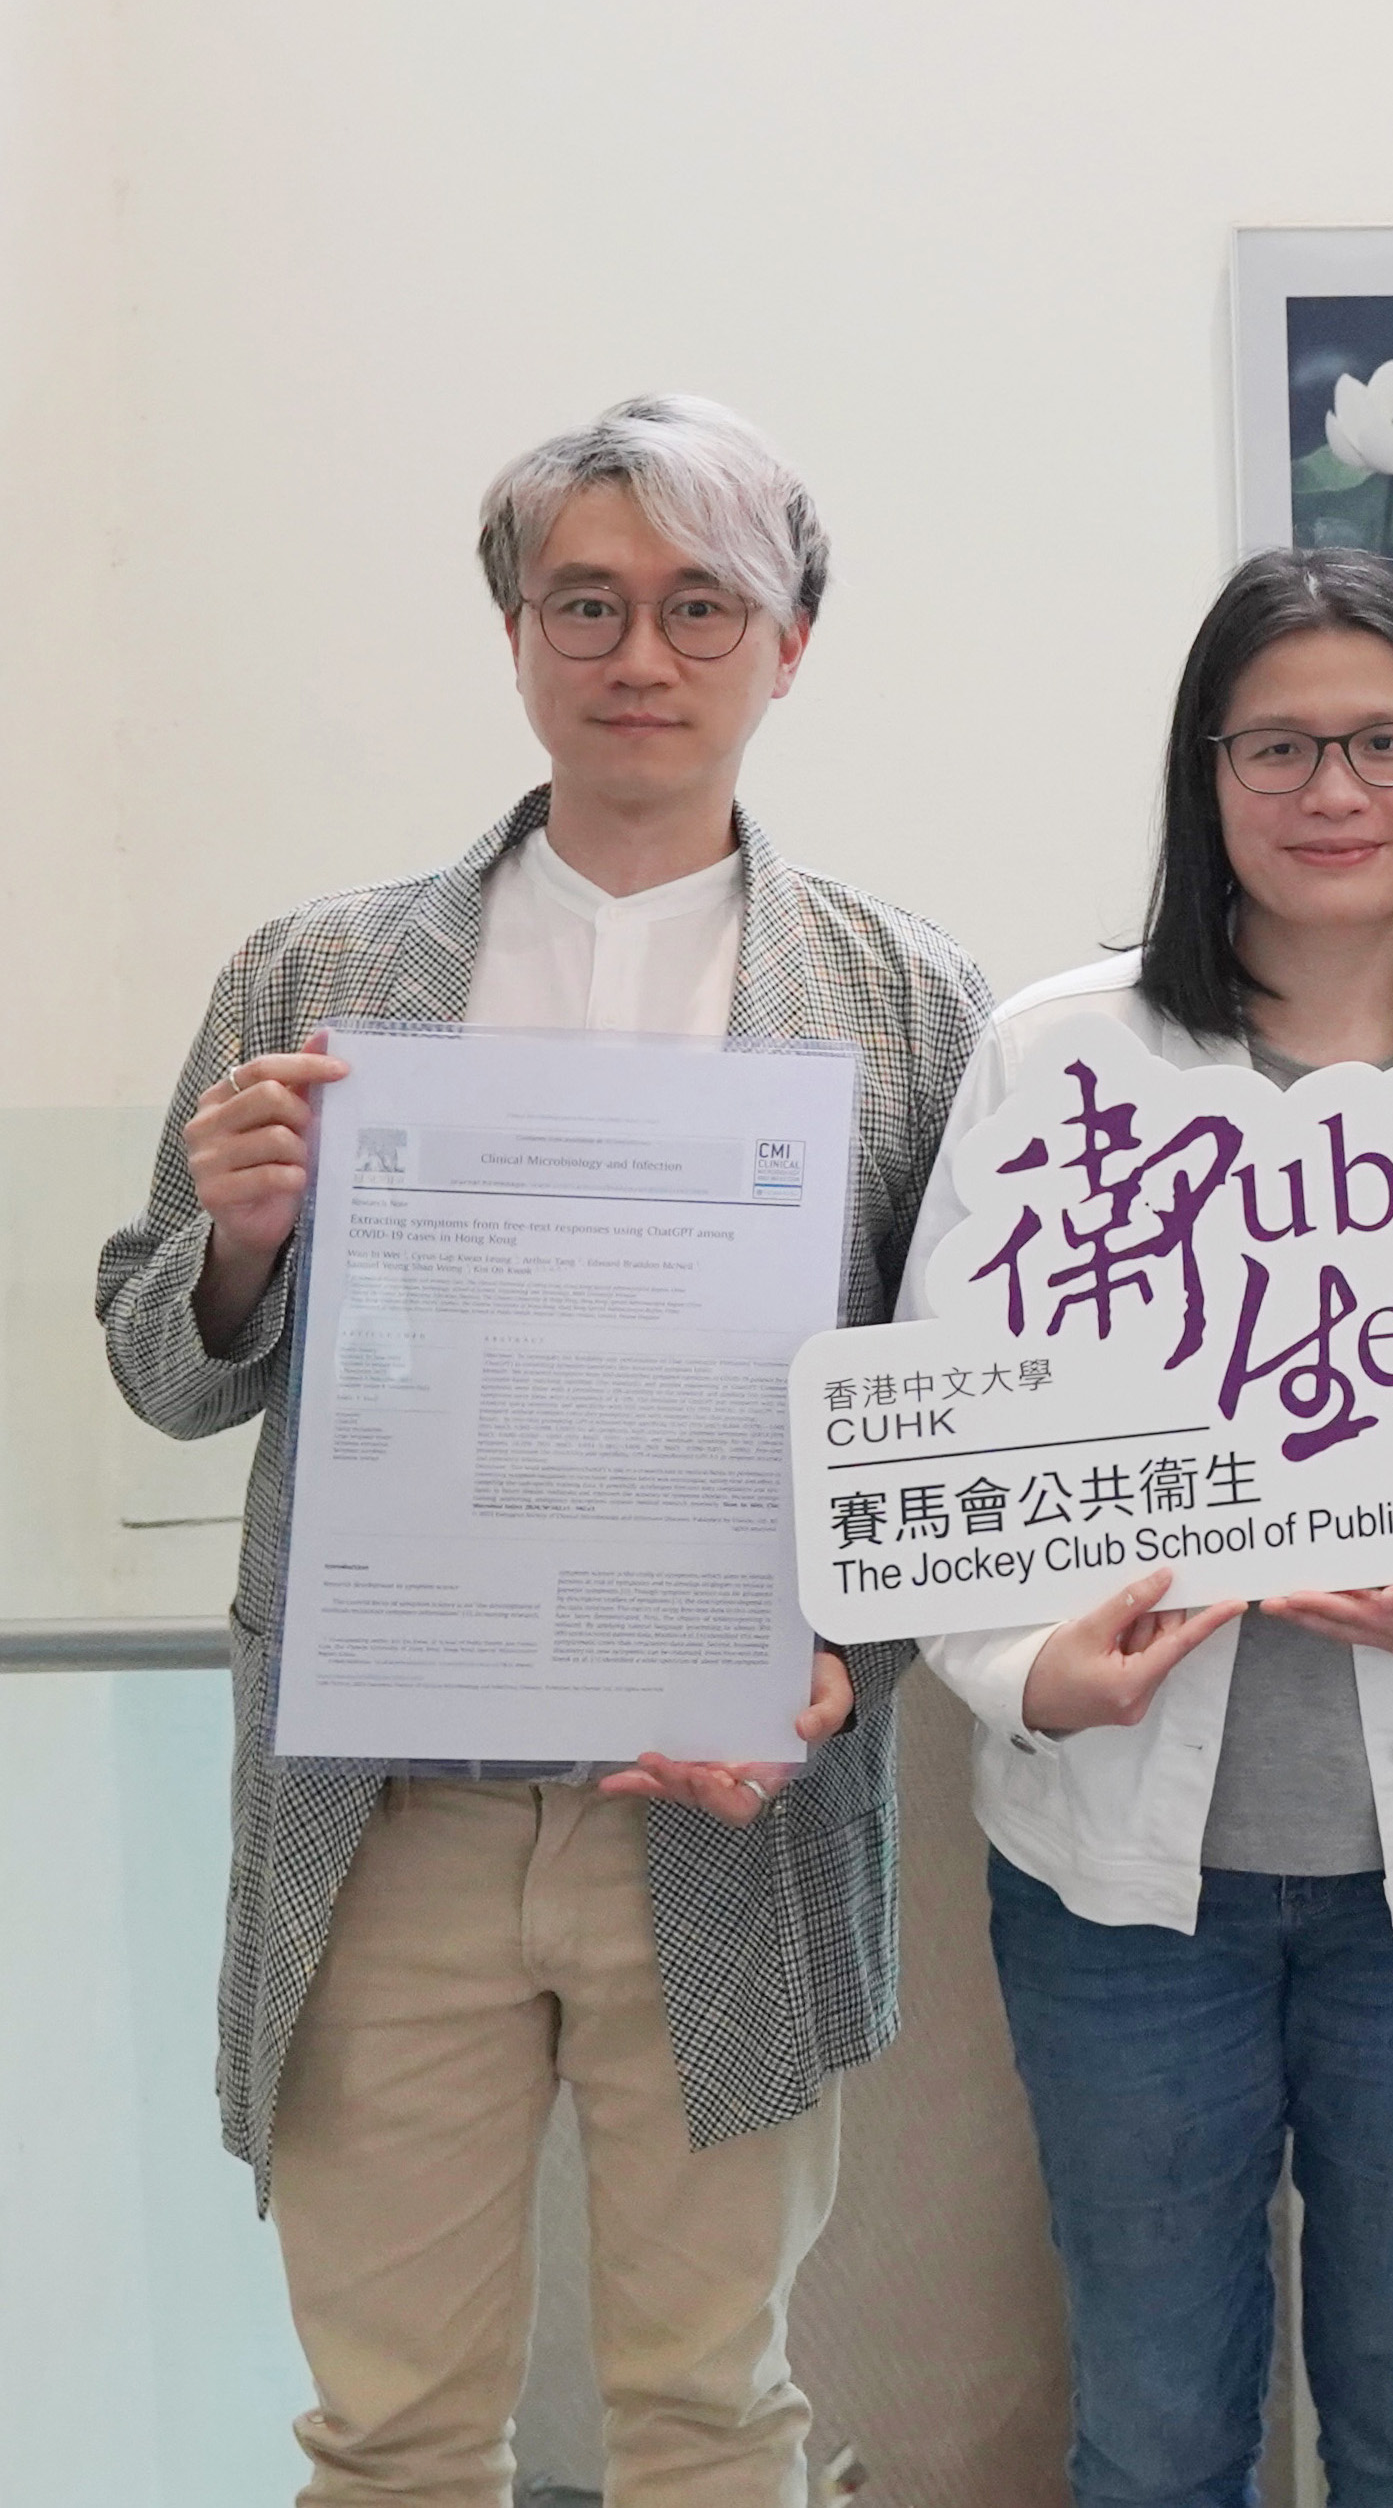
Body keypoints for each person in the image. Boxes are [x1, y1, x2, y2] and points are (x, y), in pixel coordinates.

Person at [95, 396, 985, 2506]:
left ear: (791, 644)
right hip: (387, 1811)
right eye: (584, 603)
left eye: (700, 606)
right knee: (390, 2430)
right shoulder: (314, 978)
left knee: (711, 2416)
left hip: (723, 1803)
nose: (639, 656)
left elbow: (951, 1426)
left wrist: (849, 1667)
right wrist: (233, 1244)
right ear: (513, 635)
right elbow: (166, 1371)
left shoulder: (905, 1000)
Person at [905, 548, 1393, 2507]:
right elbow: (937, 1451)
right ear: (1203, 774)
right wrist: (1025, 1677)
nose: (1335, 791)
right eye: (1282, 746)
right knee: (1150, 2423)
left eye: (1383, 743)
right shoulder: (1056, 1059)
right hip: (1125, 1880)